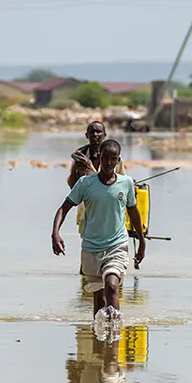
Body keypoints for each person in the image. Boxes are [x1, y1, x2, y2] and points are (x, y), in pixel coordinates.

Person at [53, 139, 146, 329]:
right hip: (92, 248)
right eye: (105, 158)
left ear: (119, 160)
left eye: (114, 159)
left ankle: (114, 336)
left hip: (117, 246)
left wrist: (142, 241)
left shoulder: (126, 183)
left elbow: (133, 212)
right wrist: (55, 233)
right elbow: (64, 207)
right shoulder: (86, 183)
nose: (109, 163)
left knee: (111, 285)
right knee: (98, 297)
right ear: (100, 158)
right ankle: (100, 339)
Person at [68, 121, 125, 236]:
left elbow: (121, 183)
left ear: (105, 135)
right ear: (86, 135)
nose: (95, 135)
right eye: (92, 132)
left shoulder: (115, 158)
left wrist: (89, 167)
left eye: (99, 132)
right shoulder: (80, 156)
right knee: (90, 247)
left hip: (110, 212)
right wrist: (76, 168)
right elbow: (73, 186)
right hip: (88, 212)